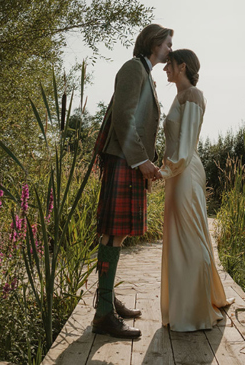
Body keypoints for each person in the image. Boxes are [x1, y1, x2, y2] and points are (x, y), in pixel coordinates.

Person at [92, 24, 173, 338]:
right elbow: (125, 116)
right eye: (167, 43)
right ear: (154, 43)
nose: (170, 48)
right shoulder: (132, 68)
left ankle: (107, 301)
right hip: (125, 160)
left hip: (130, 160)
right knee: (113, 234)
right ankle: (102, 314)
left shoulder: (144, 72)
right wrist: (142, 161)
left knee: (117, 235)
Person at [159, 49, 233, 331]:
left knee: (189, 239)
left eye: (170, 64)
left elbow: (186, 145)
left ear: (182, 66)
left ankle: (196, 310)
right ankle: (186, 307)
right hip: (176, 174)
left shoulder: (192, 95)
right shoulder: (179, 97)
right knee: (181, 239)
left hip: (184, 173)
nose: (165, 69)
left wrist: (165, 170)